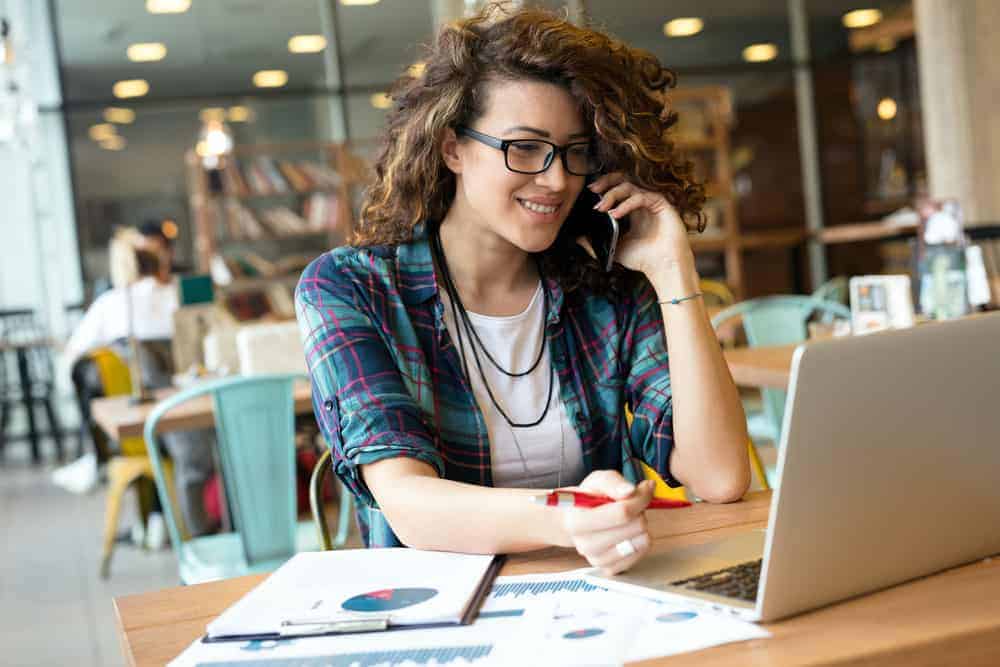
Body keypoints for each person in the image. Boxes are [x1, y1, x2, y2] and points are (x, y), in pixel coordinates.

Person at [296, 5, 750, 574]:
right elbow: (409, 504)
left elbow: (720, 476)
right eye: (525, 148)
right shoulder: (351, 289)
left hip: (607, 593)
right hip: (445, 607)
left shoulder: (604, 289)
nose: (557, 179)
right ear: (452, 148)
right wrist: (568, 515)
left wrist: (673, 273)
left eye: (575, 151)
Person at [56, 225, 218, 537]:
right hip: (200, 417)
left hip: (135, 431)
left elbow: (72, 359)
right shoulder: (181, 294)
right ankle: (197, 527)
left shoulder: (110, 303)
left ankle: (155, 518)